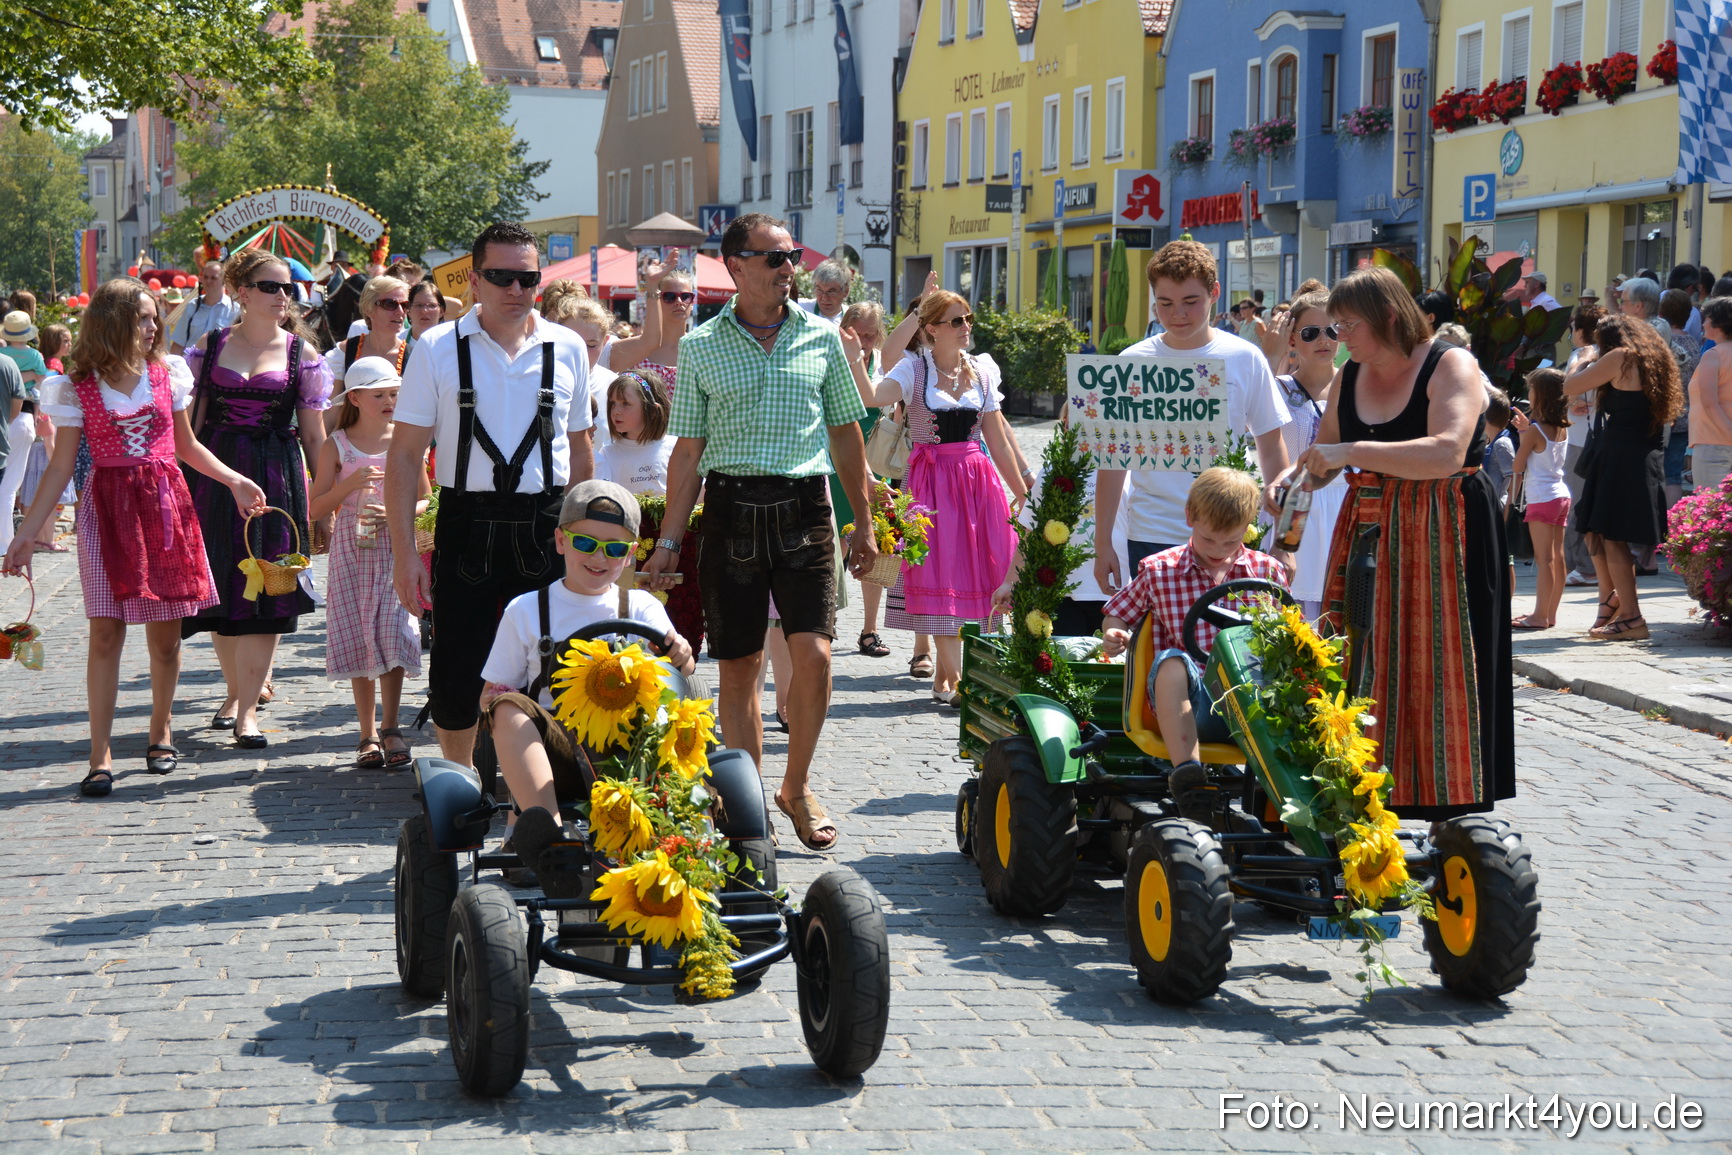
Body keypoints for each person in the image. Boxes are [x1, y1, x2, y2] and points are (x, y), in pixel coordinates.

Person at [640, 212, 877, 853]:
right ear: (736, 267)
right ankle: (747, 802)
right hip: (731, 510)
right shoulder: (700, 347)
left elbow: (846, 436)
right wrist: (666, 541)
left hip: (805, 510)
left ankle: (795, 787)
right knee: (739, 667)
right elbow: (688, 453)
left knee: (817, 656)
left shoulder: (823, 338)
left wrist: (864, 522)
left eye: (791, 256)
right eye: (774, 259)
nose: (788, 269)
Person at [2, 278, 266, 796]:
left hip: (166, 509)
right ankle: (99, 751)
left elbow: (186, 446)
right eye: (144, 318)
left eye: (154, 318)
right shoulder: (75, 386)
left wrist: (233, 479)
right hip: (107, 509)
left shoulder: (168, 374)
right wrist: (26, 534)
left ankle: (160, 730)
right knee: (105, 634)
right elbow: (58, 469)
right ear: (114, 322)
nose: (154, 327)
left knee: (165, 641)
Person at [1295, 265, 1514, 819]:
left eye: (1348, 325)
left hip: (1445, 528)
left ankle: (1449, 805)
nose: (1339, 337)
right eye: (1334, 326)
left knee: (1442, 665)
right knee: (1361, 657)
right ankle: (1360, 795)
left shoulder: (1450, 363)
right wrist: (1296, 481)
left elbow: (1446, 451)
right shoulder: (1349, 376)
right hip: (1369, 527)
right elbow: (1327, 458)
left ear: (1388, 317)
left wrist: (1353, 454)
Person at [387, 222, 595, 769]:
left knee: (563, 664)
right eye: (501, 277)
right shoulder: (435, 347)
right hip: (467, 520)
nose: (516, 290)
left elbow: (580, 452)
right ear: (475, 281)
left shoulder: (568, 346)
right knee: (457, 669)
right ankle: (462, 781)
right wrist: (405, 553)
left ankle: (551, 785)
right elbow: (405, 455)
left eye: (527, 278)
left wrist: (592, 539)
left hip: (547, 521)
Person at [477, 481, 694, 891]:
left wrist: (681, 653)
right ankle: (549, 838)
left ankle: (667, 835)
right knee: (505, 707)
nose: (599, 557)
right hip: (556, 747)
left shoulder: (643, 607)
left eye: (614, 549)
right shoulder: (526, 609)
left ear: (630, 555)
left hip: (630, 750)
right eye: (585, 543)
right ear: (561, 541)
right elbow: (492, 691)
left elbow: (680, 675)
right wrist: (500, 699)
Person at [180, 249, 332, 747]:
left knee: (269, 589)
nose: (283, 297)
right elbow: (193, 426)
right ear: (241, 291)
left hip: (277, 477)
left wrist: (320, 501)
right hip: (218, 475)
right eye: (271, 287)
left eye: (288, 288)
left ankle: (248, 711)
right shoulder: (208, 346)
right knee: (222, 589)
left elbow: (313, 438)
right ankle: (236, 689)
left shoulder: (302, 355)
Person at [854, 290, 1026, 703]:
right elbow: (872, 398)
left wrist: (1022, 491)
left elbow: (998, 441)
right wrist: (853, 361)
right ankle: (962, 682)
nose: (966, 327)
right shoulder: (916, 369)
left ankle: (947, 679)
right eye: (955, 321)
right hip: (930, 485)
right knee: (940, 576)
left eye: (968, 318)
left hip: (977, 484)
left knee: (979, 577)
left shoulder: (983, 371)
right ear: (931, 329)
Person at [1094, 240, 1291, 597]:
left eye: (1190, 301)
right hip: (1151, 533)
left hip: (1230, 532)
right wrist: (1103, 541)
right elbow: (1112, 462)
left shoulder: (1245, 357)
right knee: (1154, 649)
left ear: (1214, 292)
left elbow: (1272, 448)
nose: (1177, 314)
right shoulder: (1132, 361)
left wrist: (1285, 539)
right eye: (1165, 303)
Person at [1097, 468, 1286, 821]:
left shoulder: (1268, 573)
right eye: (1208, 539)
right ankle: (1189, 775)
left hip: (1252, 700)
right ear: (1189, 518)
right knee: (1171, 661)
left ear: (1248, 527)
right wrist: (1116, 633)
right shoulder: (1158, 570)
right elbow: (1117, 613)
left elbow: (1286, 636)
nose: (1218, 550)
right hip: (1192, 703)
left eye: (1230, 542)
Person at [309, 356, 428, 769]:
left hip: (395, 546)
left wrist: (401, 513)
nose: (389, 401)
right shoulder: (337, 444)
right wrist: (351, 487)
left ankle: (392, 726)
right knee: (360, 634)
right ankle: (366, 732)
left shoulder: (406, 439)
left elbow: (427, 498)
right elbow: (314, 506)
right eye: (379, 395)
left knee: (395, 632)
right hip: (351, 549)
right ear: (356, 398)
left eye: (393, 393)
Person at [1563, 314, 1685, 641]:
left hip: (1620, 456)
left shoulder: (1618, 357)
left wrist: (1587, 358)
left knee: (1612, 536)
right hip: (1639, 455)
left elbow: (1570, 386)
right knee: (1597, 530)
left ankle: (1631, 617)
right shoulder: (1654, 358)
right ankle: (1612, 604)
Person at [1262, 290, 1345, 618]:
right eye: (1311, 333)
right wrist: (1269, 356)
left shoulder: (1358, 385)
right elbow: (1245, 424)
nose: (1324, 340)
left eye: (1333, 330)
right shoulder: (1277, 387)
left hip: (1343, 505)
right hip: (1290, 504)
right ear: (1292, 340)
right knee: (1288, 610)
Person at [836, 300, 896, 657]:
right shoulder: (830, 360)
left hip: (873, 462)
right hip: (837, 460)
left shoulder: (880, 362)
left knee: (874, 545)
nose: (864, 341)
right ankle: (823, 619)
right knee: (832, 545)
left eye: (871, 335)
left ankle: (869, 630)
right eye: (857, 333)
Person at [1509, 367, 1572, 631]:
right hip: (1560, 495)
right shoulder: (1561, 426)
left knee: (1543, 559)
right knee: (1557, 557)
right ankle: (1550, 614)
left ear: (1541, 395)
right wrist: (1527, 432)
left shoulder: (1536, 430)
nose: (1529, 393)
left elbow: (1518, 465)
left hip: (1542, 499)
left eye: (1532, 389)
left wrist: (1524, 435)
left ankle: (1538, 615)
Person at [322, 275, 411, 432]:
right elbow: (330, 411)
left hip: (395, 447)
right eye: (390, 304)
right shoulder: (345, 352)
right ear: (369, 309)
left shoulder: (413, 356)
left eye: (405, 305)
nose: (400, 311)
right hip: (350, 449)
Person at [19, 323, 73, 552]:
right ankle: (44, 539)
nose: (70, 345)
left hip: (36, 429)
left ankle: (38, 538)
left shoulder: (40, 360)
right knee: (45, 490)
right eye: (66, 341)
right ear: (55, 343)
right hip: (46, 430)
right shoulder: (54, 365)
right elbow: (50, 399)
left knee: (31, 491)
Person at [1562, 305, 1605, 585]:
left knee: (1575, 504)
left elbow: (1568, 388)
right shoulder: (1608, 355)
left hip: (1580, 441)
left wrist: (1574, 400)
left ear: (1580, 330)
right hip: (1594, 439)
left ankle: (1581, 566)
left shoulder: (1582, 356)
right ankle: (1579, 565)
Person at [605, 264, 696, 393]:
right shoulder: (637, 349)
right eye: (670, 296)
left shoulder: (699, 349)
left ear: (692, 303)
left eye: (686, 296)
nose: (679, 301)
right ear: (657, 301)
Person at [0, 311, 45, 552]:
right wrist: (26, 376)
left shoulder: (2, 355)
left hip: (5, 416)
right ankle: (5, 543)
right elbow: (40, 380)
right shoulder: (35, 355)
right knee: (10, 485)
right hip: (24, 415)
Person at [1658, 289, 1699, 508]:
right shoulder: (1693, 342)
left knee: (1654, 474)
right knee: (1673, 474)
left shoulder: (1660, 340)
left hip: (1660, 414)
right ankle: (1672, 527)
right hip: (1684, 415)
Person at [1688, 296, 1732, 492]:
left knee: (1710, 513)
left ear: (1720, 323)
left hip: (1712, 441)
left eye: (1706, 318)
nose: (1703, 323)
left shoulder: (1713, 355)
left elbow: (1709, 403)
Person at [168, 260, 242, 355]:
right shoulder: (193, 306)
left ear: (224, 280)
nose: (208, 281)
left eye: (213, 278)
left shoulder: (234, 309)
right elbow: (178, 344)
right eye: (205, 277)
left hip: (218, 366)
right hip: (190, 365)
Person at [802, 260, 853, 324]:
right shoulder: (801, 309)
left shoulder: (852, 319)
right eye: (819, 290)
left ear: (846, 291)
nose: (824, 297)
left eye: (831, 292)